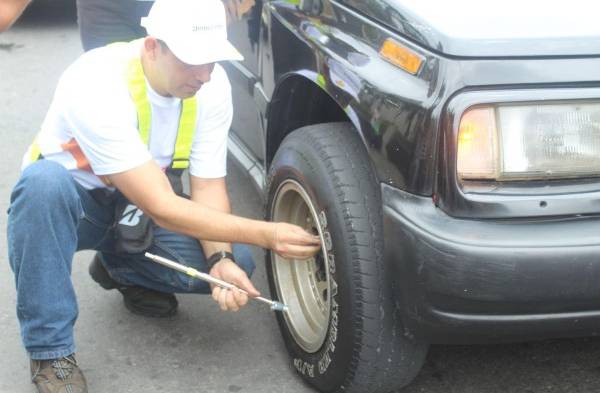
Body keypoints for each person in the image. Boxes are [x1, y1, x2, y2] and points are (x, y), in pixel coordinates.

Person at [6, 0, 321, 392]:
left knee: (235, 262)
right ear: (153, 46)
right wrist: (269, 234)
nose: (204, 74)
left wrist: (220, 257)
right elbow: (164, 206)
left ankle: (121, 267)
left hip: (135, 209)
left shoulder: (211, 85)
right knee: (41, 186)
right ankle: (52, 353)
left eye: (212, 60)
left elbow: (207, 186)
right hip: (76, 206)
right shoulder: (95, 82)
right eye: (193, 61)